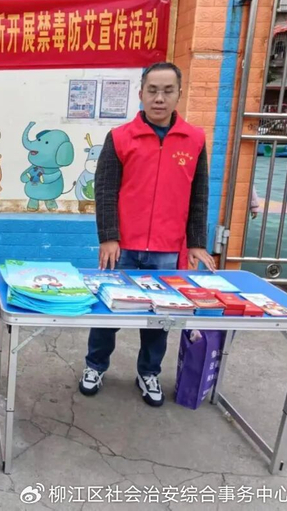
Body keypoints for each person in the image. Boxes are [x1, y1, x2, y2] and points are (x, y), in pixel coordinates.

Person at [80, 62, 215, 407]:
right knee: (107, 313)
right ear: (141, 93)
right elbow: (105, 190)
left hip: (167, 251)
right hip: (122, 247)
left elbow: (199, 195)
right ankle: (95, 366)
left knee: (159, 319)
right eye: (152, 90)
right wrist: (109, 236)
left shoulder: (194, 139)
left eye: (167, 91)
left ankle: (149, 372)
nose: (159, 98)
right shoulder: (120, 137)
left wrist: (196, 243)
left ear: (179, 94)